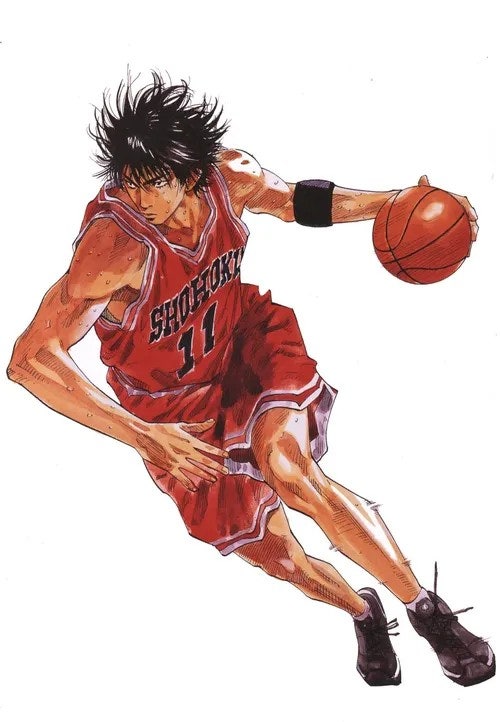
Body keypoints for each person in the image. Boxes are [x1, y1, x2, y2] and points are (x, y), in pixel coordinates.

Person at [7, 73, 493, 687]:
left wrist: (394, 203)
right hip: (172, 410)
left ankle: (429, 613)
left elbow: (297, 202)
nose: (136, 195)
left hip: (247, 351)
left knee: (290, 471)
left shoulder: (227, 176)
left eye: (151, 180)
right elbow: (30, 359)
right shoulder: (113, 247)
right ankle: (362, 610)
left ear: (189, 173)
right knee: (281, 558)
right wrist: (142, 435)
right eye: (127, 179)